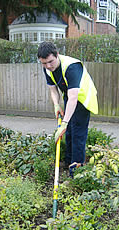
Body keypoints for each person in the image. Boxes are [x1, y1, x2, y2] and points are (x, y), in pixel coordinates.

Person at [37, 41, 98, 177]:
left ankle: (76, 172)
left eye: (51, 62)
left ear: (57, 55)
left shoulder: (72, 67)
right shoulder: (47, 68)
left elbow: (74, 97)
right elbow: (53, 90)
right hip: (69, 97)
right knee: (69, 132)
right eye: (44, 63)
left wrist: (64, 123)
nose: (48, 66)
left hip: (82, 99)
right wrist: (56, 105)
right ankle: (68, 161)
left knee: (78, 134)